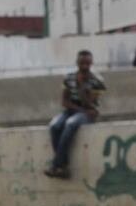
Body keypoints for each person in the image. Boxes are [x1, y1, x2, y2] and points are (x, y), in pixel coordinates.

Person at [45, 50, 105, 180]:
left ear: (91, 63)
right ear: (77, 63)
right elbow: (64, 102)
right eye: (82, 63)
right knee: (54, 125)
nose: (84, 66)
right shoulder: (68, 78)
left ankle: (56, 165)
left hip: (88, 114)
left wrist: (83, 86)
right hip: (74, 110)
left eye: (87, 63)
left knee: (70, 124)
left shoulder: (97, 80)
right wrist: (80, 109)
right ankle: (63, 166)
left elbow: (90, 105)